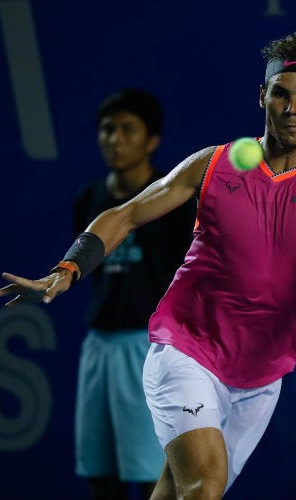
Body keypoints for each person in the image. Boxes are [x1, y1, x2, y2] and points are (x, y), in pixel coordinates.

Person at [0, 32, 296, 499]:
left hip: (259, 377)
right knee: (205, 484)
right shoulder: (214, 165)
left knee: (178, 489)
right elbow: (128, 213)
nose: (291, 108)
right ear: (263, 96)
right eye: (280, 94)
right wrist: (67, 269)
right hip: (187, 350)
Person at [74, 89, 197, 499]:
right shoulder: (89, 201)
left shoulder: (174, 204)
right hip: (99, 348)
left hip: (149, 351)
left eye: (128, 130)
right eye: (108, 130)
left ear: (152, 140)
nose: (115, 139)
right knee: (99, 474)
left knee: (150, 478)